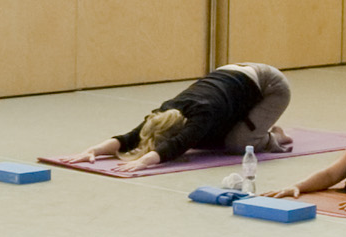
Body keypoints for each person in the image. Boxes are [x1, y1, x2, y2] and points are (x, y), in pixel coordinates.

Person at [81, 64, 294, 170]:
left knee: (238, 144)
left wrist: (144, 161)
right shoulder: (166, 110)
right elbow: (133, 136)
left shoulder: (203, 114)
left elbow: (179, 144)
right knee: (208, 141)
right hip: (234, 75)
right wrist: (94, 150)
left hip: (271, 86)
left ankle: (274, 137)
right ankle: (254, 126)